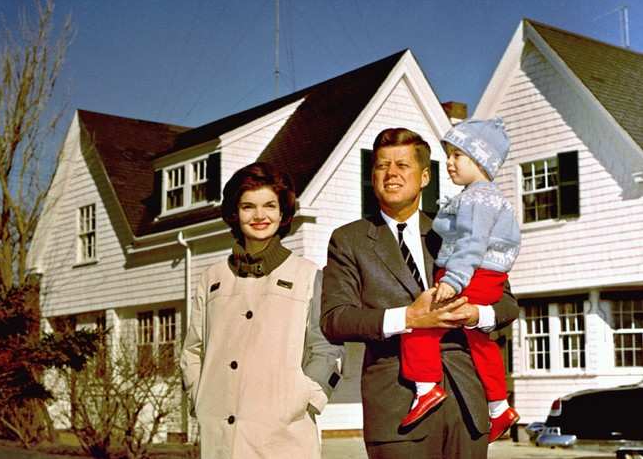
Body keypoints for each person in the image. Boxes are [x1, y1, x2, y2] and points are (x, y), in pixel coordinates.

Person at [321, 128, 519, 459]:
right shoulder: (349, 240)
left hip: (467, 406)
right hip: (397, 409)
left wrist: (477, 315)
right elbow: (335, 319)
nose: (391, 173)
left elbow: (507, 303)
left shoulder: (457, 229)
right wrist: (408, 318)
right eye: (382, 166)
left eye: (402, 165)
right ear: (373, 176)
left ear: (425, 176)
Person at [180, 162, 344, 459]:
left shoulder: (308, 276)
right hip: (220, 437)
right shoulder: (212, 279)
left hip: (284, 437)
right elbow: (192, 350)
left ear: (283, 213)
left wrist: (305, 400)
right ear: (234, 213)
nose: (259, 216)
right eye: (248, 206)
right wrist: (199, 398)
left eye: (270, 205)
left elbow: (327, 349)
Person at [399, 118, 521, 443]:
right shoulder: (483, 197)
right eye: (449, 155)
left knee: (420, 327)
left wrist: (453, 279)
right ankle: (498, 407)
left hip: (469, 276)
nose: (449, 163)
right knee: (481, 342)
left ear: (480, 160)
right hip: (487, 277)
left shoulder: (477, 198)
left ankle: (426, 388)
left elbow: (472, 242)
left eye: (457, 156)